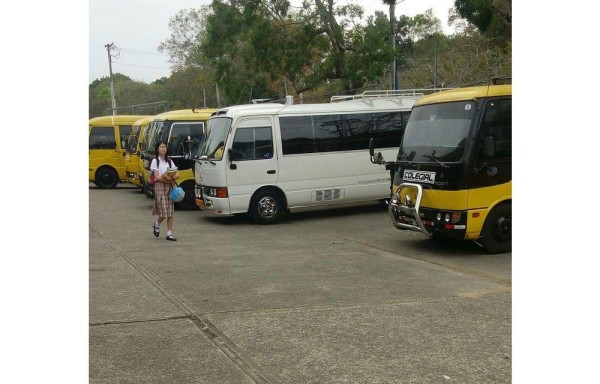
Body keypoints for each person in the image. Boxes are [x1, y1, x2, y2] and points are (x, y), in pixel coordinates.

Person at [151, 141, 180, 241]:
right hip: (159, 187)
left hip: (169, 187)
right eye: (161, 147)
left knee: (170, 211)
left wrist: (170, 178)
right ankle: (157, 224)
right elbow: (157, 177)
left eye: (164, 147)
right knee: (163, 211)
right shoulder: (155, 161)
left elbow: (177, 174)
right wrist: (167, 178)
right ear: (157, 149)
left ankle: (169, 233)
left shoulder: (170, 161)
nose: (163, 149)